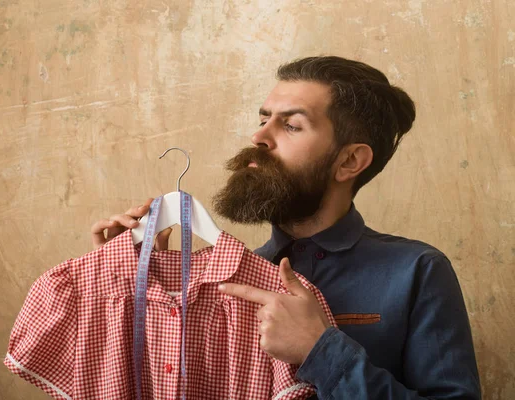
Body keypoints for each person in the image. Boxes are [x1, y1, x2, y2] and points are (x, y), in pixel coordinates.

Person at [90, 56, 481, 399]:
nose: (259, 137)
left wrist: (320, 350)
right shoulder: (221, 280)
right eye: (263, 120)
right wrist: (128, 288)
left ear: (349, 161)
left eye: (291, 126)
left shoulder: (417, 270)